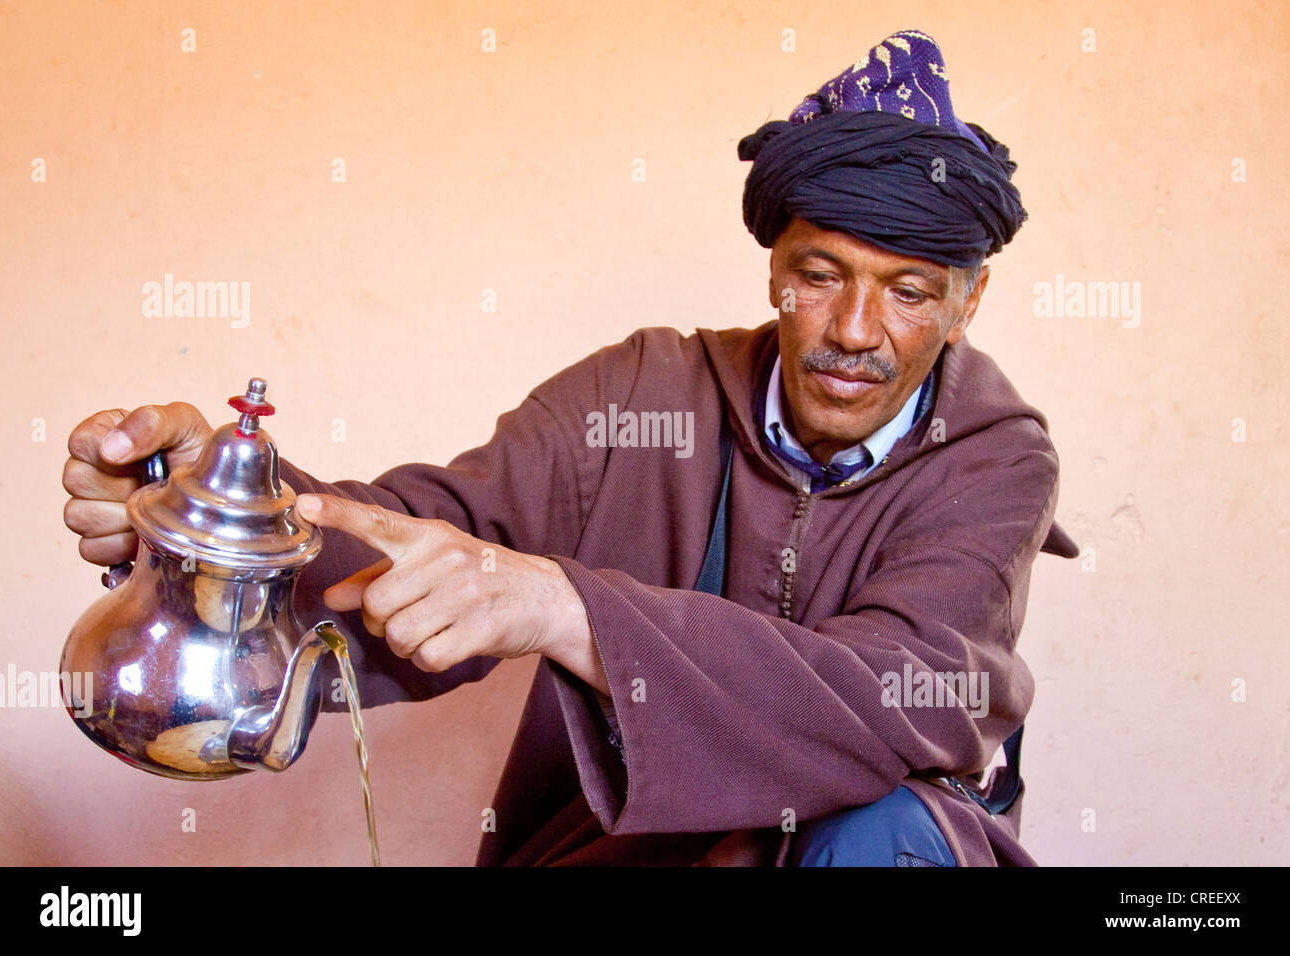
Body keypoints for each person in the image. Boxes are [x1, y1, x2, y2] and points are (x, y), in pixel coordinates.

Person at [62, 29, 1078, 866]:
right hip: (626, 855)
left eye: (908, 292)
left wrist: (564, 604)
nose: (856, 330)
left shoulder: (995, 461)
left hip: (868, 852)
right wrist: (216, 514)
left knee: (884, 832)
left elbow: (891, 693)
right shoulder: (642, 391)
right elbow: (433, 537)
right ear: (774, 265)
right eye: (820, 273)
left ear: (967, 301)